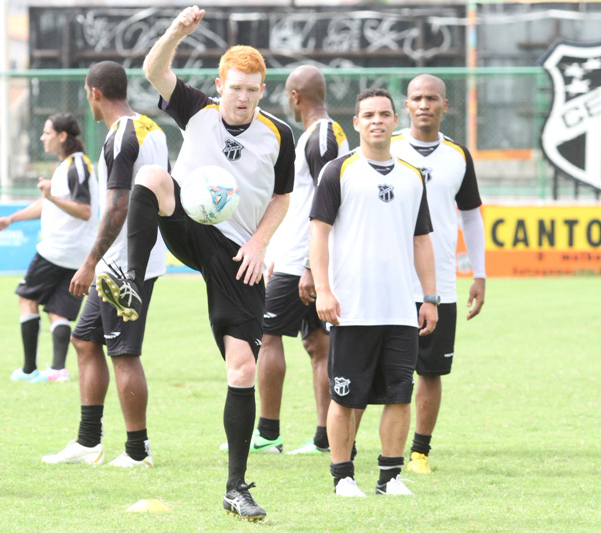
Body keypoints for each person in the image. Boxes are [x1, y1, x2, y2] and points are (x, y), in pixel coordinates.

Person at [94, 6, 295, 521]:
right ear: (220, 85)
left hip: (238, 254)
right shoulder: (198, 110)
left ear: (263, 90)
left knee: (242, 369)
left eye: (252, 90)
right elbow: (153, 71)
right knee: (152, 177)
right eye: (235, 88)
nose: (243, 97)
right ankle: (129, 279)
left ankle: (235, 488)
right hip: (187, 223)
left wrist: (260, 244)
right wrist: (176, 32)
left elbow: (282, 197)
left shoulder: (279, 135)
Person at [309, 88, 438, 498]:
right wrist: (324, 290)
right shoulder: (339, 171)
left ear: (395, 121)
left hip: (400, 309)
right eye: (369, 115)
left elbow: (422, 240)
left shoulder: (412, 176)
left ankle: (389, 478)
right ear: (357, 123)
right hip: (352, 309)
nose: (377, 121)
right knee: (345, 398)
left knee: (399, 396)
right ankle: (343, 477)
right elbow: (318, 233)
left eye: (384, 114)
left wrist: (430, 298)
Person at [40, 61, 169, 468]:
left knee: (124, 353)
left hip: (123, 265)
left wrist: (89, 263)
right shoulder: (150, 128)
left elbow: (117, 207)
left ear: (94, 92)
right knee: (84, 340)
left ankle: (137, 451)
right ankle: (88, 442)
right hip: (126, 259)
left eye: (87, 93)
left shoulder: (121, 137)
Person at [249, 64, 350, 455]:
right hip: (299, 260)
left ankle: (268, 434)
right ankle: (324, 438)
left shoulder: (321, 136)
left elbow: (327, 201)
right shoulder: (323, 134)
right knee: (317, 344)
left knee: (266, 335)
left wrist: (310, 266)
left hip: (302, 264)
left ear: (295, 96)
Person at [390, 74, 486, 474]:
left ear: (445, 106)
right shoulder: (386, 147)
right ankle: (371, 450)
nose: (424, 104)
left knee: (430, 371)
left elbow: (471, 216)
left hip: (439, 284)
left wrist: (480, 273)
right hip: (390, 281)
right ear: (406, 105)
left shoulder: (458, 156)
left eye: (432, 98)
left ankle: (419, 453)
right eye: (417, 98)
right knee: (383, 369)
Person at [0, 113, 97, 384]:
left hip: (57, 250)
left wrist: (50, 196)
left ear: (62, 136)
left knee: (27, 299)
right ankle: (58, 371)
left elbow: (84, 210)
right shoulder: (72, 165)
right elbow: (48, 203)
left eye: (47, 133)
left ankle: (29, 370)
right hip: (77, 255)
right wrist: (11, 219)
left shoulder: (76, 166)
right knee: (58, 310)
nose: (42, 137)